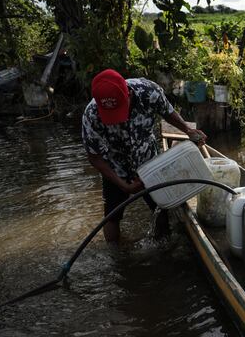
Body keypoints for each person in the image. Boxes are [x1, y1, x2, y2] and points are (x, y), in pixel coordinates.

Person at [82, 69, 206, 244]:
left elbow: (167, 112)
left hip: (149, 163)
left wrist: (188, 130)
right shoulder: (91, 114)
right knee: (112, 215)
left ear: (129, 94)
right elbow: (94, 157)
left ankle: (163, 246)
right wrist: (123, 185)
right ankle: (117, 258)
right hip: (115, 167)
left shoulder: (148, 92)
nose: (118, 121)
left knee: (161, 207)